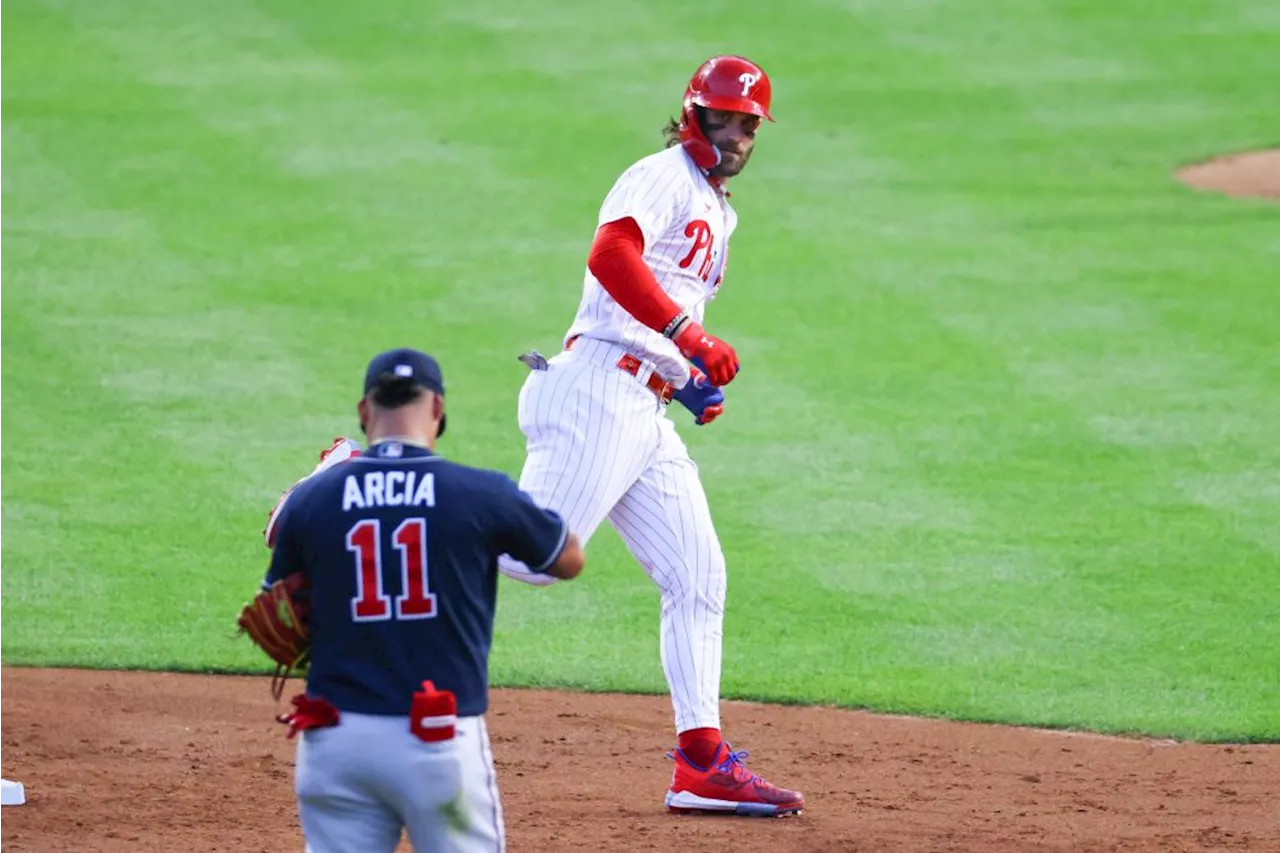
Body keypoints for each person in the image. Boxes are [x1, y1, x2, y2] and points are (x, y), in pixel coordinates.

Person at [497, 55, 804, 817]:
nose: (732, 134)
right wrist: (687, 336)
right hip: (599, 389)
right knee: (532, 561)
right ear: (691, 115)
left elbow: (663, 305)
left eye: (746, 124)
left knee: (699, 576)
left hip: (644, 405)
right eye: (719, 118)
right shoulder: (661, 174)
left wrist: (685, 376)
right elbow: (609, 255)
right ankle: (385, 492)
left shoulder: (719, 207)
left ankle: (700, 761)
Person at [260, 348, 585, 852]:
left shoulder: (313, 500)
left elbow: (280, 612)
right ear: (437, 409)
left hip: (335, 738)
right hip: (436, 742)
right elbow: (567, 559)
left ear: (365, 413)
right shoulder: (480, 494)